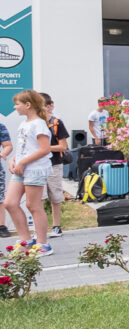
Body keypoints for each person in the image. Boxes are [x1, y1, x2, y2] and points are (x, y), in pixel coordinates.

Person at [7, 91, 52, 256]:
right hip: (21, 168)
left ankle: (43, 243)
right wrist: (15, 159)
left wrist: (23, 161)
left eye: (17, 104)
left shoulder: (39, 124)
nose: (15, 107)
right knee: (10, 203)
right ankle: (25, 240)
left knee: (33, 206)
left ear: (28, 105)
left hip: (35, 169)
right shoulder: (24, 124)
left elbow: (44, 149)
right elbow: (25, 147)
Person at [40, 93, 69, 238]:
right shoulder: (34, 123)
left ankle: (57, 226)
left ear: (49, 106)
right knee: (39, 198)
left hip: (54, 164)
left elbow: (63, 147)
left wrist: (45, 148)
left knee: (55, 196)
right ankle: (40, 229)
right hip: (37, 165)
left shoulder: (56, 122)